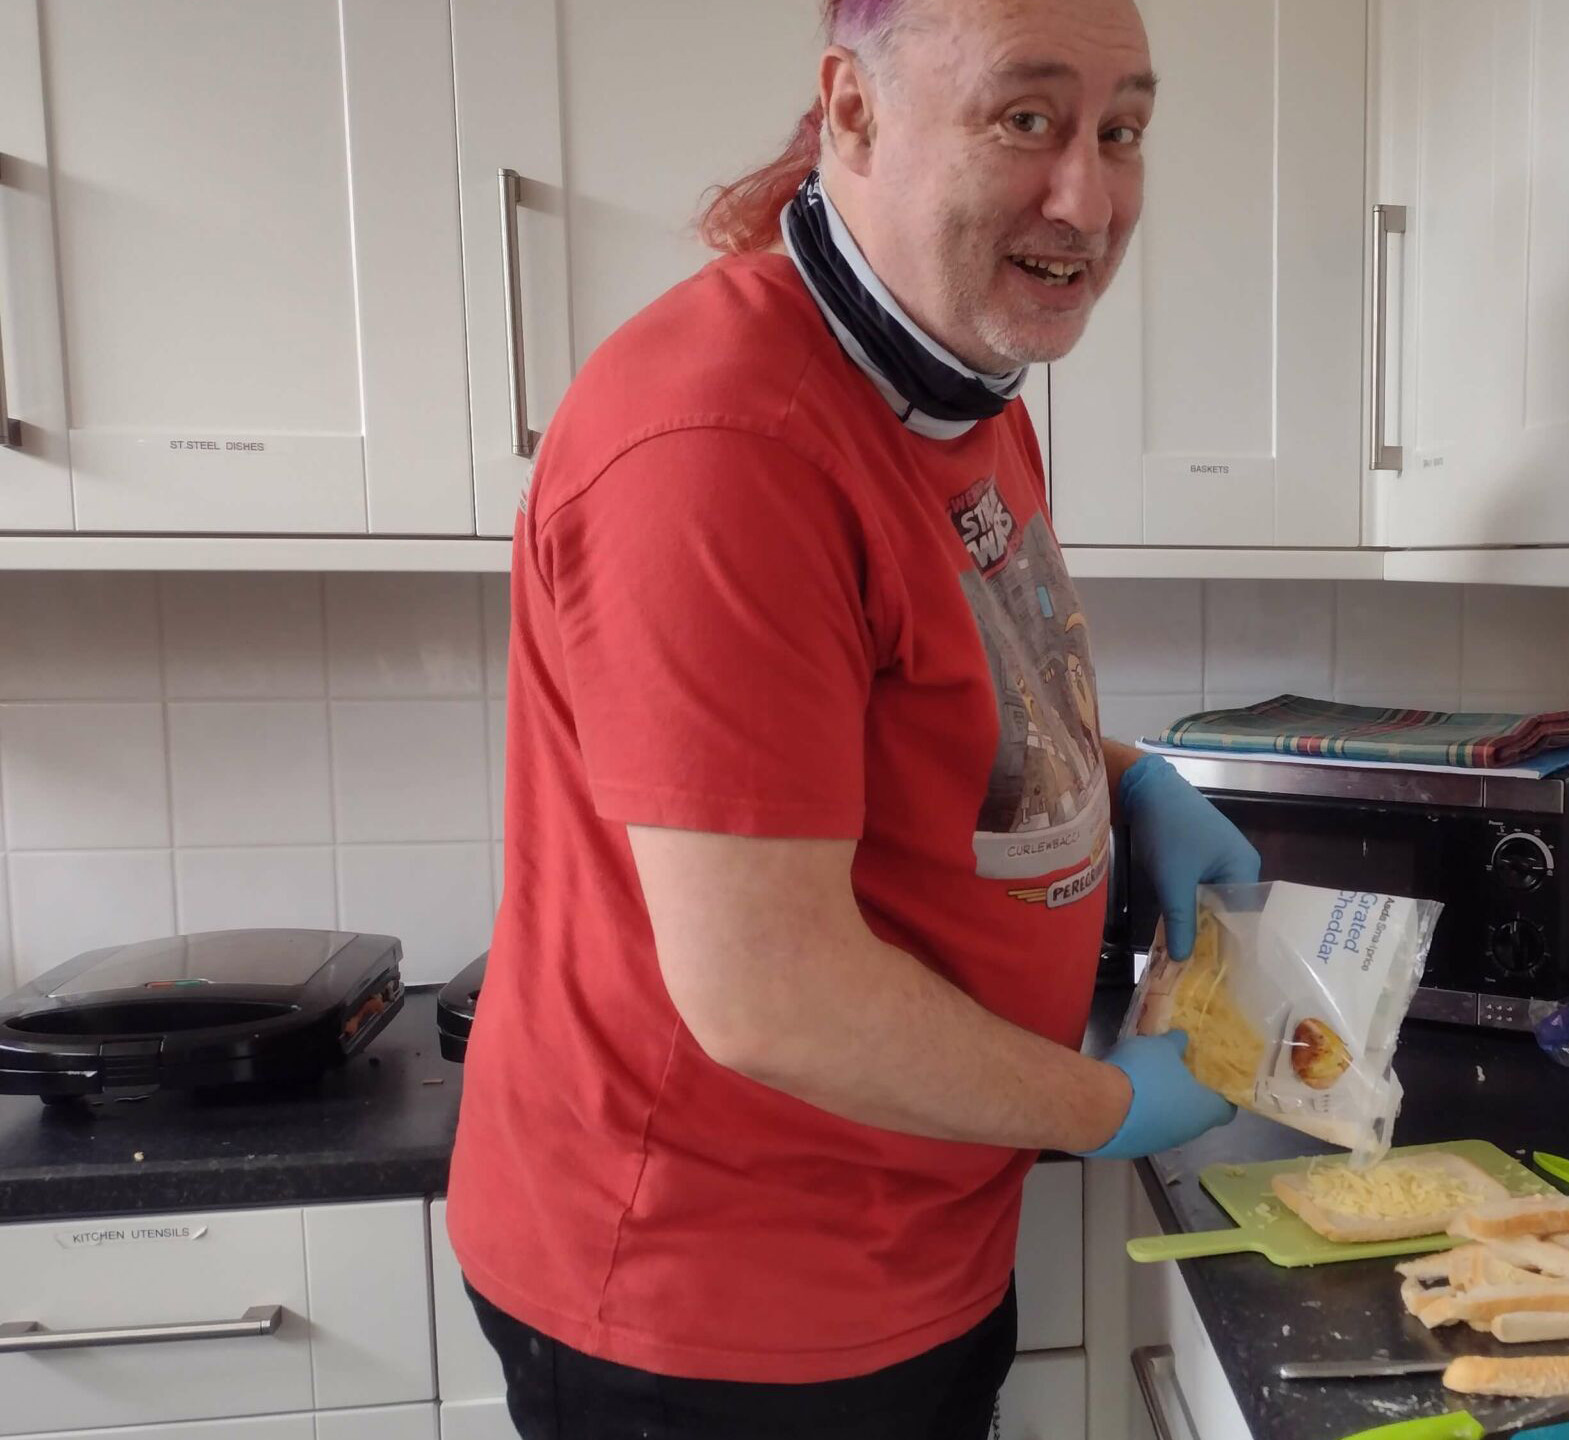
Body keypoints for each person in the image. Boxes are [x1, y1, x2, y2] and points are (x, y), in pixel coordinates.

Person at [443, 0, 1253, 1434]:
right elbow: (772, 988)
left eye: (1121, 130)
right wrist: (1111, 1108)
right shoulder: (723, 444)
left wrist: (1128, 784)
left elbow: (937, 707)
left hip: (911, 1234)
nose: (1089, 195)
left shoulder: (956, 374)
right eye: (1027, 118)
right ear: (853, 109)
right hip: (712, 1312)